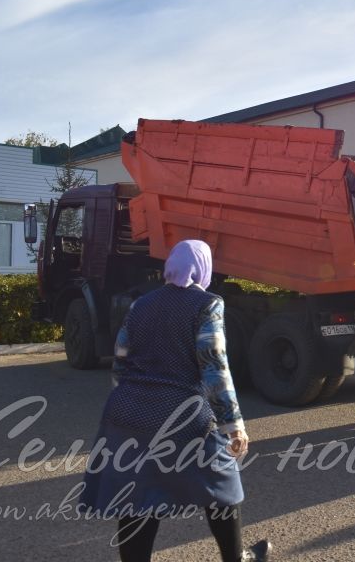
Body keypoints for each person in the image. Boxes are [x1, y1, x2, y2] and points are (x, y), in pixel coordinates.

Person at [80, 240, 270, 562]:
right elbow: (214, 366)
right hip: (184, 414)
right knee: (221, 485)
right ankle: (236, 558)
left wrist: (131, 401)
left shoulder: (140, 304)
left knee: (135, 494)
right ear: (203, 267)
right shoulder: (208, 303)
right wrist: (233, 425)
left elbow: (120, 360)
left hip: (126, 412)